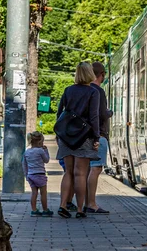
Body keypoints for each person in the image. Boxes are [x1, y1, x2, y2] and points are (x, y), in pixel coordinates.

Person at [56, 61, 100, 218]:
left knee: (68, 172)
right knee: (80, 174)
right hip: (84, 137)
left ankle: (63, 205)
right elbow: (94, 116)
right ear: (90, 74)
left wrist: (59, 134)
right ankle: (80, 209)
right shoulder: (93, 92)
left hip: (66, 136)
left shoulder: (68, 90)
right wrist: (96, 136)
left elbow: (59, 113)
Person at [86, 61, 113, 214]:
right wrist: (109, 113)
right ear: (101, 74)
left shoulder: (83, 89)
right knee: (95, 169)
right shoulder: (98, 91)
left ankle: (81, 203)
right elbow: (101, 114)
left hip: (82, 137)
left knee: (82, 170)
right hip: (98, 135)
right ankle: (91, 203)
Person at [22, 131, 53, 217]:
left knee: (34, 193)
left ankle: (34, 210)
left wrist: (26, 175)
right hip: (40, 174)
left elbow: (24, 164)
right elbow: (46, 160)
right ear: (40, 142)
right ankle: (45, 210)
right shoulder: (40, 151)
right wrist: (46, 150)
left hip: (31, 175)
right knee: (43, 193)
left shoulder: (27, 152)